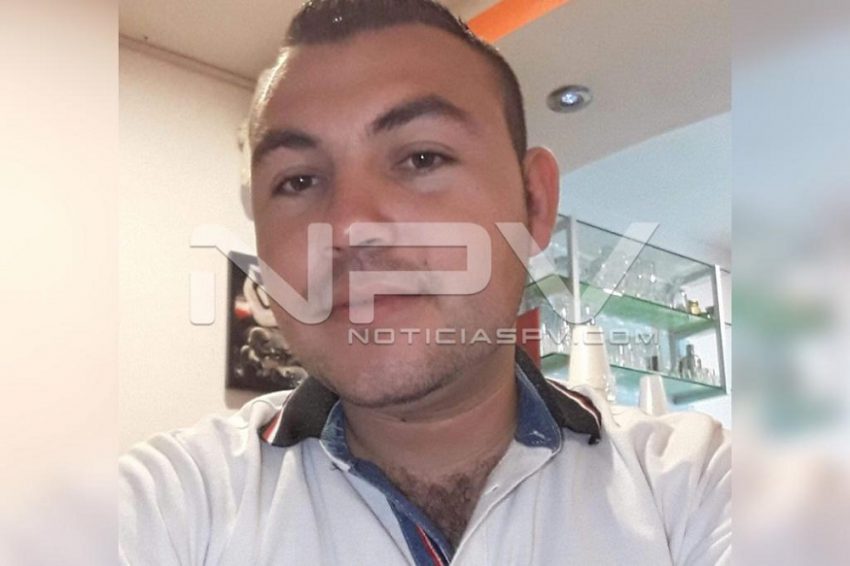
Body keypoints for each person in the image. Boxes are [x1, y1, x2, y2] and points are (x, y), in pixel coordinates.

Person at [119, 1, 731, 564]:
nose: (349, 226)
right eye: (298, 181)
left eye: (422, 159)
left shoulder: (694, 485)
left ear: (535, 202)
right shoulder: (178, 501)